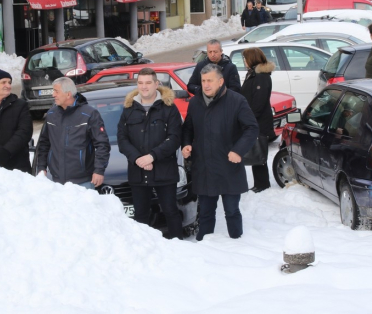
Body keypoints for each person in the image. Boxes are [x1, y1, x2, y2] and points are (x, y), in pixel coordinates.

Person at [182, 64, 259, 241]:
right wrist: (186, 144)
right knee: (206, 213)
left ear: (221, 81)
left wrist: (238, 150)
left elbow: (251, 128)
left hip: (229, 167)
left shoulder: (236, 101)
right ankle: (206, 246)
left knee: (232, 211)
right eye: (203, 81)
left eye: (210, 80)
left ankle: (237, 242)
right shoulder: (195, 102)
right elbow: (188, 128)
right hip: (204, 168)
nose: (206, 85)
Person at [117, 68, 183, 240]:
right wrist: (138, 158)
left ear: (156, 84)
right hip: (138, 172)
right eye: (140, 83)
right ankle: (143, 249)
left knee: (170, 211)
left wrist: (152, 156)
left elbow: (175, 138)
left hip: (164, 171)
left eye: (148, 83)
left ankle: (179, 248)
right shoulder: (129, 109)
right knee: (140, 215)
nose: (144, 87)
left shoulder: (169, 108)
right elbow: (122, 139)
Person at [36, 77, 110, 187]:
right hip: (55, 181)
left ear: (68, 94)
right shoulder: (51, 114)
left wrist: (99, 170)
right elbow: (44, 143)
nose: (53, 95)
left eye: (56, 91)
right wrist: (41, 167)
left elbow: (102, 144)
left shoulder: (89, 114)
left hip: (83, 182)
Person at [240, 48, 276, 193]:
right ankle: (259, 183)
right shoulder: (254, 74)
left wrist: (248, 119)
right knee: (256, 152)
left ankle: (262, 184)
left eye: (246, 58)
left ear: (252, 59)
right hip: (254, 121)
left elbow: (259, 103)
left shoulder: (261, 77)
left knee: (259, 152)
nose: (244, 62)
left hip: (259, 122)